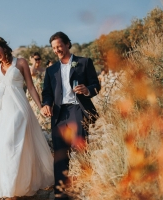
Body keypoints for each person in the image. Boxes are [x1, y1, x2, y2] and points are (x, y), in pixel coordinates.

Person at [0, 36, 54, 199]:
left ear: (3, 47)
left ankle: (15, 187)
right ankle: (14, 190)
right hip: (2, 112)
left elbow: (30, 87)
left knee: (11, 143)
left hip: (18, 108)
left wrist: (40, 107)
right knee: (6, 148)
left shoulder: (21, 62)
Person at [41, 31, 101, 200]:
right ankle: (61, 195)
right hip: (59, 114)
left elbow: (96, 85)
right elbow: (47, 93)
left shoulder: (84, 62)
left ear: (67, 44)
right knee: (60, 154)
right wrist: (46, 104)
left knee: (81, 148)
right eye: (53, 47)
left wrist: (87, 89)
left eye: (59, 45)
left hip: (77, 109)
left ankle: (88, 186)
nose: (57, 49)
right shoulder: (51, 70)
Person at [26, 52, 50, 130]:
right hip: (34, 94)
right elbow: (32, 73)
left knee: (45, 114)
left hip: (44, 93)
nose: (37, 61)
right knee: (36, 113)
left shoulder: (44, 69)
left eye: (38, 59)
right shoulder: (30, 68)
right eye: (35, 59)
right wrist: (33, 63)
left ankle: (46, 130)